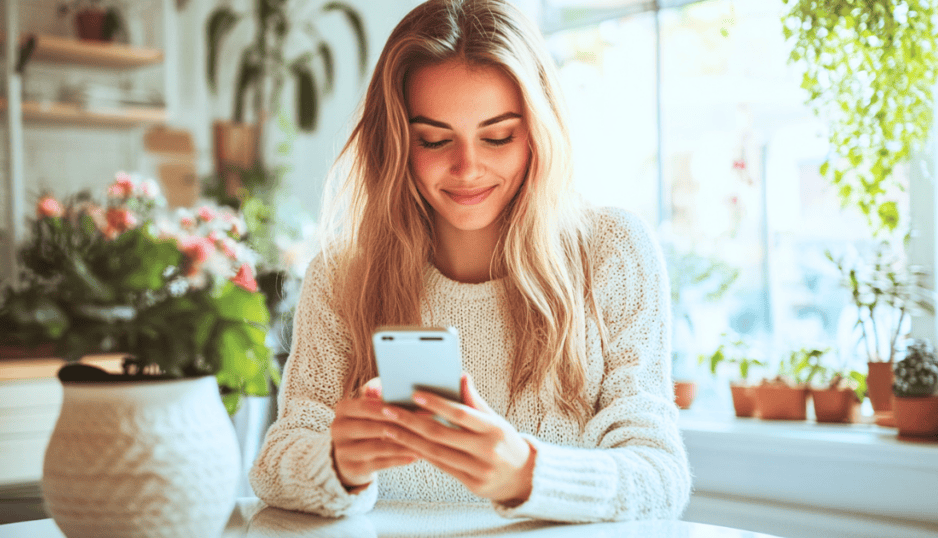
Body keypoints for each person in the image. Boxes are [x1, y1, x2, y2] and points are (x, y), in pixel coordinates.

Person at [249, 0, 691, 522]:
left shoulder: (612, 253)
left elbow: (660, 474)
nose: (467, 168)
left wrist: (525, 473)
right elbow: (274, 463)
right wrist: (337, 465)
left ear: (537, 133)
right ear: (396, 142)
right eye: (434, 140)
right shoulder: (343, 276)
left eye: (498, 136)